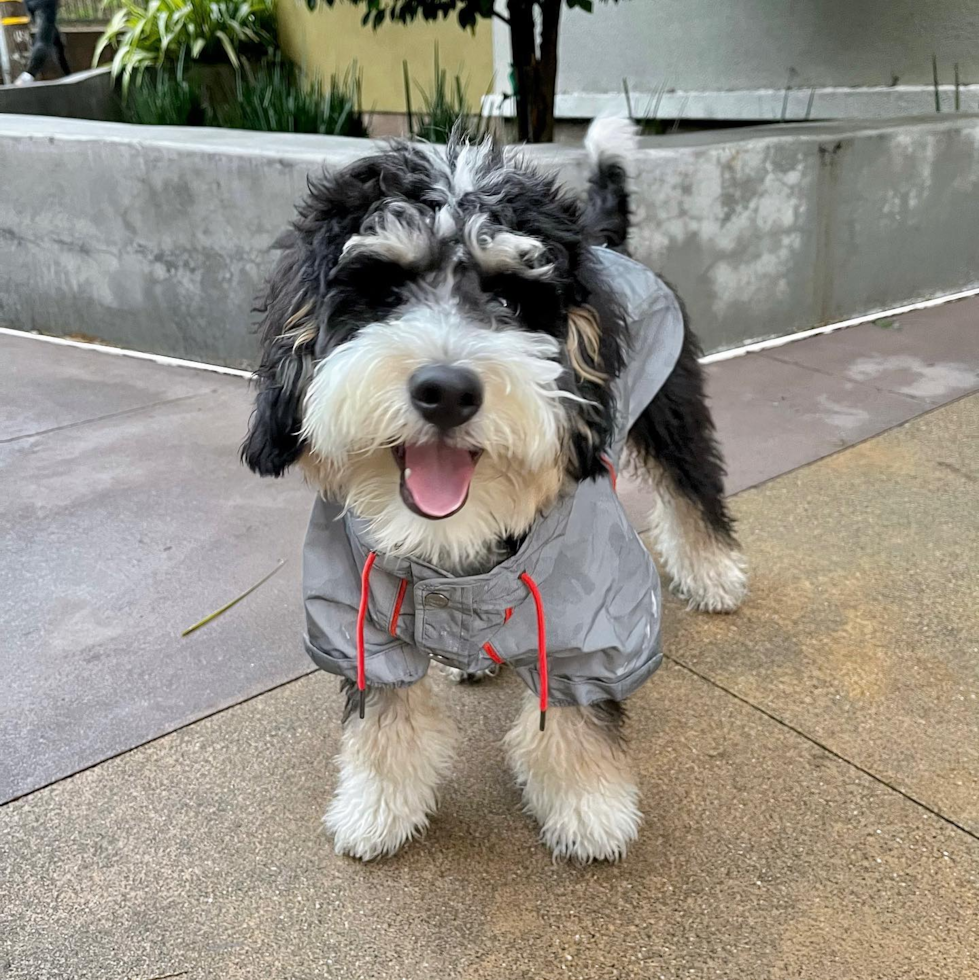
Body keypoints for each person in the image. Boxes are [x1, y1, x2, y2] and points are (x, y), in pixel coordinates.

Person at [14, 0, 70, 85]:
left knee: (53, 36)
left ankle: (67, 72)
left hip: (29, 3)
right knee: (44, 39)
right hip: (45, 3)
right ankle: (29, 74)